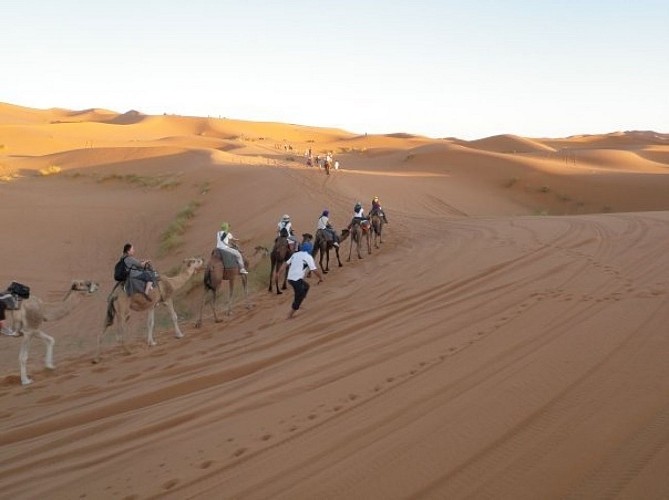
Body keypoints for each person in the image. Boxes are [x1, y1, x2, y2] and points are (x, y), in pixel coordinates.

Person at [278, 241, 324, 319]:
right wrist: (321, 278)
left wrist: (278, 272)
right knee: (298, 296)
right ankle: (290, 315)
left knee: (306, 286)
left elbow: (286, 264)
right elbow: (314, 270)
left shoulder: (295, 254)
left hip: (291, 279)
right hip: (296, 280)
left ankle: (299, 302)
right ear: (310, 250)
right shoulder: (308, 257)